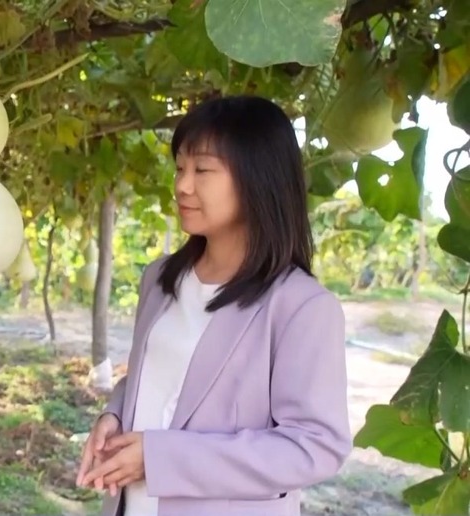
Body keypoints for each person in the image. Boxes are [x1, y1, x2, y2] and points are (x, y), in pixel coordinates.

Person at [75, 95, 352, 516]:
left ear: (258, 178)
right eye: (180, 168)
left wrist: (161, 458)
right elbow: (151, 378)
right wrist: (114, 416)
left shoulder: (302, 307)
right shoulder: (160, 279)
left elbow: (314, 446)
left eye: (202, 170)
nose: (182, 185)